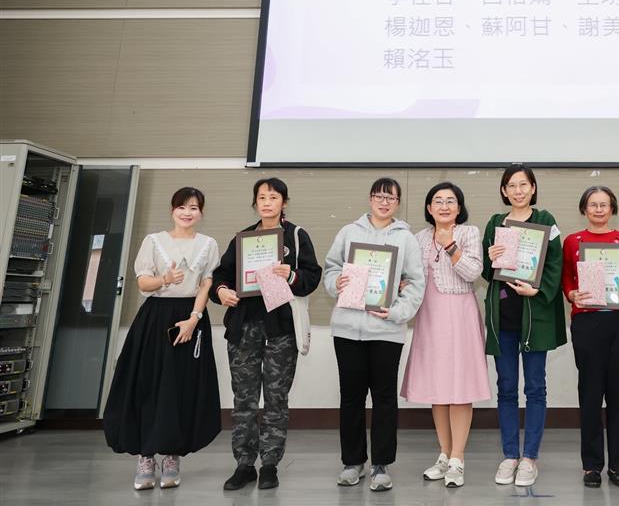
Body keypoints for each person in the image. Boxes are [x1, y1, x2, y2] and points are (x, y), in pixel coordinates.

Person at [103, 187, 220, 490]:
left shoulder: (208, 244)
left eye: (193, 207)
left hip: (191, 319)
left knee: (181, 387)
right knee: (148, 384)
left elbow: (206, 284)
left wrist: (194, 319)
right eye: (181, 207)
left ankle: (172, 456)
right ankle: (145, 457)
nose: (187, 212)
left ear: (201, 213)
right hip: (155, 319)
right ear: (172, 210)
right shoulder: (153, 241)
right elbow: (143, 282)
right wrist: (165, 279)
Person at [210, 177, 322, 491]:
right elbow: (221, 275)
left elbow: (312, 277)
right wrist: (222, 291)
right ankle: (244, 464)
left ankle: (270, 464)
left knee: (276, 399)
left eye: (273, 197)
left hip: (280, 329)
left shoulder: (296, 236)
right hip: (244, 327)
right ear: (255, 202)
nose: (267, 202)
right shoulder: (243, 238)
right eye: (262, 197)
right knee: (244, 399)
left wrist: (292, 275)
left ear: (284, 202)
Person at [323, 177, 426, 492]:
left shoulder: (406, 238)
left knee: (384, 398)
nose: (384, 202)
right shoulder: (348, 232)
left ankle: (381, 464)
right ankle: (352, 462)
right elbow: (330, 268)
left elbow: (416, 282)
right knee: (350, 397)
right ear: (370, 199)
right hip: (347, 329)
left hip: (386, 330)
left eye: (390, 198)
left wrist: (395, 312)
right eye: (379, 196)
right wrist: (336, 282)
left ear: (398, 203)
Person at [401, 181, 490, 488]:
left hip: (460, 315)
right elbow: (412, 276)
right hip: (430, 315)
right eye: (437, 201)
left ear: (459, 207)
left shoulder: (469, 233)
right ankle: (443, 453)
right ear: (429, 208)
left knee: (459, 387)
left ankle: (458, 458)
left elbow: (473, 272)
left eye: (450, 201)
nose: (444, 206)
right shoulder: (418, 237)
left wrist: (450, 246)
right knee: (437, 386)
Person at [482, 163, 566, 487]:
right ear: (504, 191)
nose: (518, 191)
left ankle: (529, 457)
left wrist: (538, 290)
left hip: (535, 317)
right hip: (503, 318)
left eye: (523, 185)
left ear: (533, 188)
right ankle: (509, 456)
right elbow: (488, 273)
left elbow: (556, 264)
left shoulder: (546, 220)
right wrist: (491, 257)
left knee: (535, 388)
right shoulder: (495, 223)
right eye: (511, 186)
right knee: (506, 388)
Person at [561, 186, 619, 489]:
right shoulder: (573, 241)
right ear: (584, 209)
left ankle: (617, 466)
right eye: (593, 205)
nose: (598, 209)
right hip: (587, 322)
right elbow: (566, 276)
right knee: (591, 394)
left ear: (612, 208)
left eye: (603, 205)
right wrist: (571, 294)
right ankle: (592, 466)